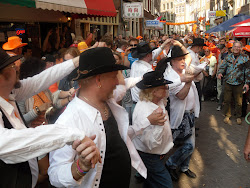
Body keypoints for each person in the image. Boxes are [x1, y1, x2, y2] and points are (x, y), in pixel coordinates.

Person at [48, 47, 164, 187]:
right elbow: (55, 175)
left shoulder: (108, 99)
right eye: (114, 75)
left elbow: (124, 84)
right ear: (98, 80)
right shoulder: (69, 120)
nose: (117, 81)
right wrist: (80, 167)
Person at [0, 48, 100, 188]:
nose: (17, 68)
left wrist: (78, 60)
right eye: (11, 66)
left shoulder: (9, 92)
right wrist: (70, 134)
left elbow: (40, 80)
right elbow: (4, 143)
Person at [130, 71, 174, 188]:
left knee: (151, 182)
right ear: (153, 91)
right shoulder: (145, 111)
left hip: (156, 154)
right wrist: (159, 125)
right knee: (166, 185)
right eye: (163, 87)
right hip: (150, 155)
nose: (166, 88)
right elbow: (151, 144)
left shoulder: (157, 100)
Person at [164, 44, 200, 181]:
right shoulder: (170, 76)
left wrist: (197, 72)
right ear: (172, 61)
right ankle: (171, 164)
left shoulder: (184, 71)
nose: (183, 62)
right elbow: (180, 96)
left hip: (190, 113)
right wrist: (189, 83)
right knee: (188, 145)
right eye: (180, 59)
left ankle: (184, 167)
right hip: (181, 115)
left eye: (183, 59)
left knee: (191, 143)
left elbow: (197, 78)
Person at [130, 40, 172, 105]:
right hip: (145, 105)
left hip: (135, 104)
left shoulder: (134, 64)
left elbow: (154, 54)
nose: (153, 54)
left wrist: (163, 45)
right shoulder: (148, 71)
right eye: (151, 53)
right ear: (148, 55)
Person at [217, 41, 250, 125]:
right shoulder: (227, 57)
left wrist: (247, 83)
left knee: (239, 101)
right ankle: (227, 115)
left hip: (239, 83)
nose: (236, 48)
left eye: (238, 47)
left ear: (241, 48)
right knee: (227, 100)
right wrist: (220, 73)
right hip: (228, 82)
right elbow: (222, 67)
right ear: (232, 48)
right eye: (235, 46)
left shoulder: (245, 58)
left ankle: (238, 116)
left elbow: (247, 71)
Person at [187, 38, 206, 108]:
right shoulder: (190, 55)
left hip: (196, 81)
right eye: (201, 48)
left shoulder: (194, 53)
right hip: (193, 82)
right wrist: (204, 64)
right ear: (198, 47)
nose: (201, 50)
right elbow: (193, 72)